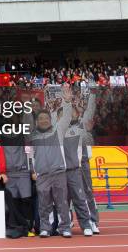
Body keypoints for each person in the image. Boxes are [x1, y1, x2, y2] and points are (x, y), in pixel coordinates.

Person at [29, 84, 74, 238]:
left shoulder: (57, 131)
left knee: (61, 202)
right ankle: (45, 228)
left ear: (50, 120)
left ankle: (65, 228)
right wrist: (33, 171)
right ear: (37, 122)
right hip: (42, 175)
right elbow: (30, 155)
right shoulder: (33, 136)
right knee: (44, 204)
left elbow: (66, 118)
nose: (43, 121)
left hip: (58, 172)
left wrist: (67, 103)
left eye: (46, 118)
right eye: (40, 119)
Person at [61, 88, 95, 236]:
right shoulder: (59, 129)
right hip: (61, 170)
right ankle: (66, 225)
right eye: (70, 112)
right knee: (63, 200)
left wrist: (92, 94)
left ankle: (87, 224)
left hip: (76, 168)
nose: (72, 114)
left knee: (81, 198)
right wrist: (66, 101)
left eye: (75, 112)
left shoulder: (81, 128)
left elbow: (89, 112)